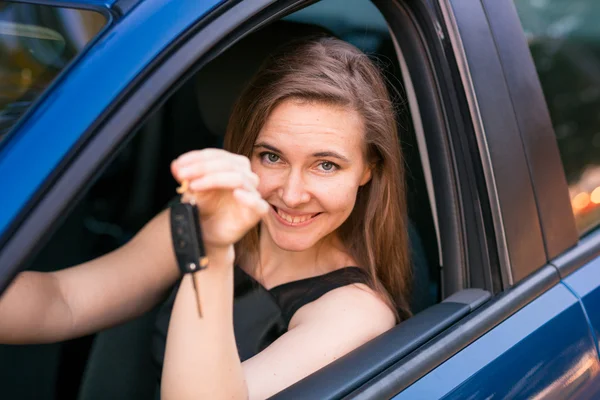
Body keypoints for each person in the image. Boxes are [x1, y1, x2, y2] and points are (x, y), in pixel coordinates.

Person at [0, 36, 412, 399]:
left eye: (325, 166)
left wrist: (212, 253)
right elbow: (64, 301)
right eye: (271, 157)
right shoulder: (204, 221)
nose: (291, 194)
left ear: (369, 168)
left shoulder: (358, 312)